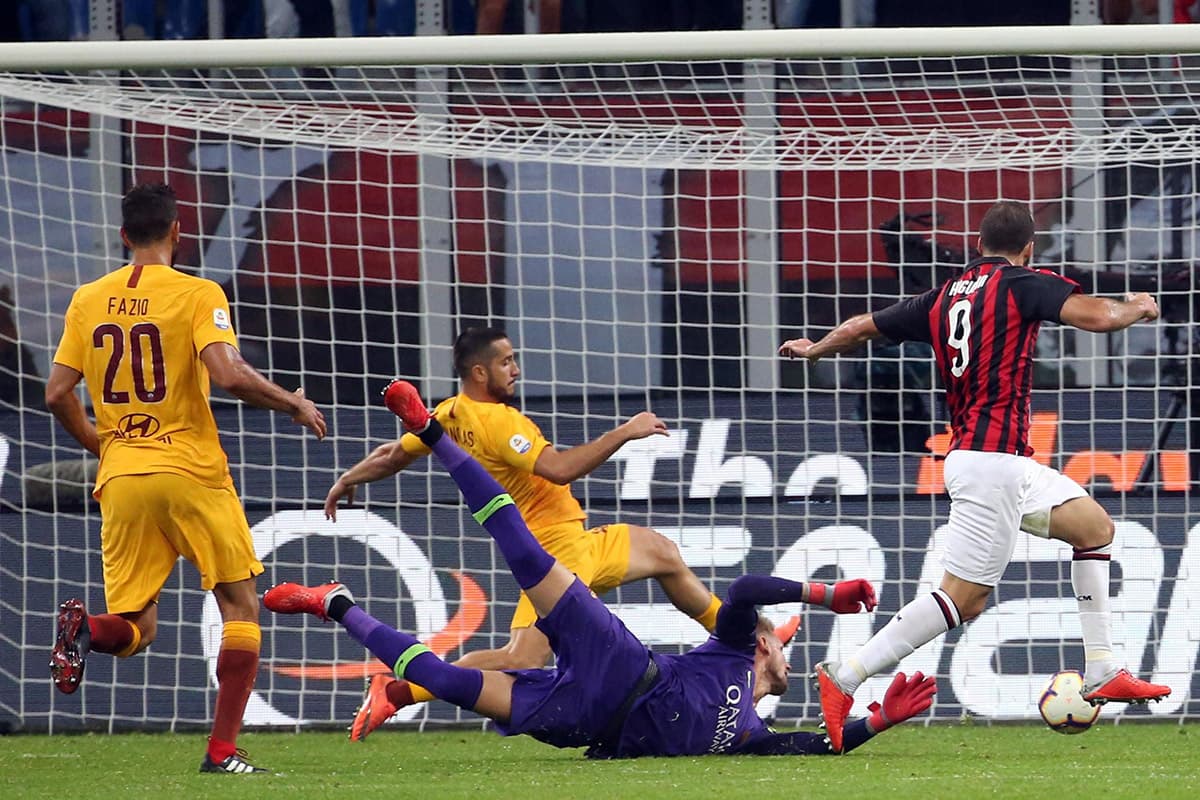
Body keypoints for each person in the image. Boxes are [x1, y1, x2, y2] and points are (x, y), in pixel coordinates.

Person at [265, 379, 938, 758]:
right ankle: (434, 433)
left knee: (443, 677)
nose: (788, 657)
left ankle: (333, 603)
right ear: (762, 641)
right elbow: (744, 591)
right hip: (619, 661)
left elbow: (817, 749)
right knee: (524, 550)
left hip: (583, 720)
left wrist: (881, 721)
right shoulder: (733, 645)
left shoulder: (752, 737)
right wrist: (825, 592)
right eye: (781, 641)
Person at [777, 199, 1172, 753]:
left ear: (979, 244)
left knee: (1093, 528)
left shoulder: (942, 296)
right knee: (963, 600)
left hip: (999, 460)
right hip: (991, 464)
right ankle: (844, 676)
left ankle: (1103, 666)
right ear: (1028, 248)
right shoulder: (1023, 284)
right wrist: (1138, 307)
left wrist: (816, 347)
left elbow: (862, 327)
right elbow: (1099, 317)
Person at [324, 326, 752, 740]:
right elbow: (560, 470)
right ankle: (399, 690)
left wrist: (348, 478)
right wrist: (625, 431)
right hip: (553, 551)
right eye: (506, 362)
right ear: (479, 373)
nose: (516, 370)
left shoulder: (449, 414)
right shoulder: (500, 423)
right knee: (522, 658)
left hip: (577, 538)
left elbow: (395, 452)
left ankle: (747, 638)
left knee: (663, 553)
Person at [44, 183, 327, 774]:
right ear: (178, 231)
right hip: (189, 469)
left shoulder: (87, 298)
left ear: (125, 236)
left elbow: (57, 393)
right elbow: (227, 374)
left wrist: (103, 445)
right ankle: (221, 751)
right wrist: (291, 403)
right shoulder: (199, 293)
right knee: (239, 602)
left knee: (136, 627)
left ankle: (87, 631)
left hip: (121, 476)